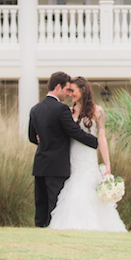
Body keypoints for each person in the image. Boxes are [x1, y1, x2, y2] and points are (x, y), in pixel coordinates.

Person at [48, 76, 127, 232]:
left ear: (83, 90)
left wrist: (107, 165)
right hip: (73, 157)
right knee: (74, 189)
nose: (70, 94)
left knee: (87, 188)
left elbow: (102, 139)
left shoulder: (98, 111)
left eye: (73, 91)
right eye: (68, 91)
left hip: (89, 158)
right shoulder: (68, 111)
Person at [28, 71, 99, 228]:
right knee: (55, 203)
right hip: (57, 166)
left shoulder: (35, 109)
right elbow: (73, 132)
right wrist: (95, 142)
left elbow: (32, 137)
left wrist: (44, 139)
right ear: (58, 87)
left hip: (40, 164)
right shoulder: (62, 110)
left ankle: (40, 230)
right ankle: (54, 232)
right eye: (67, 89)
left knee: (41, 204)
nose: (68, 94)